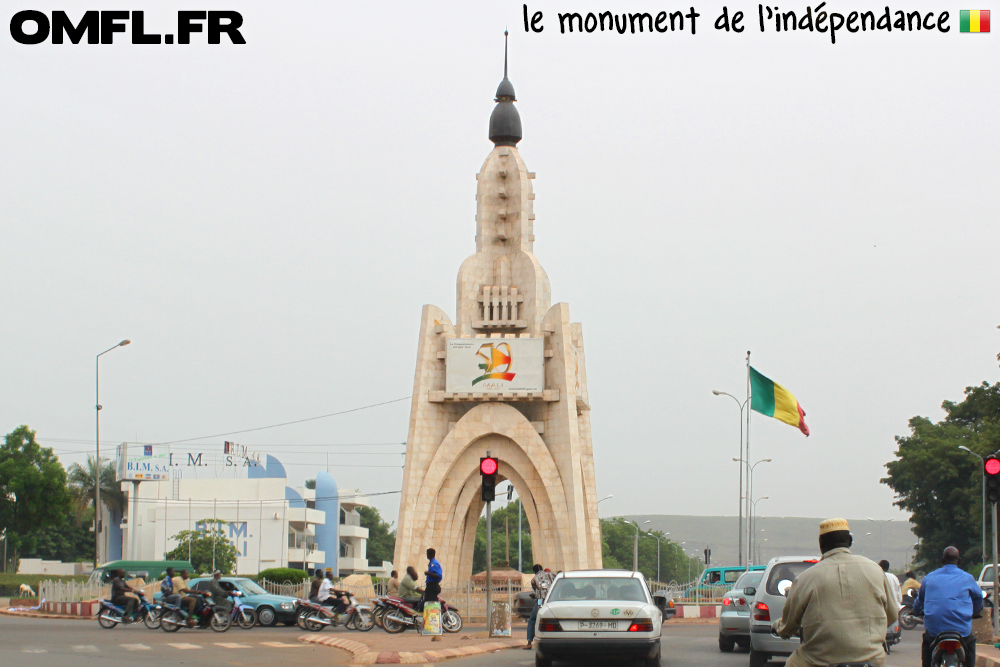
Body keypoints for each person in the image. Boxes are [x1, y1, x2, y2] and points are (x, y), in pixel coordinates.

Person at [773, 518, 897, 667]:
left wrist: (778, 627)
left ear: (821, 544)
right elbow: (892, 615)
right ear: (850, 541)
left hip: (819, 661)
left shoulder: (806, 579)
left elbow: (788, 627)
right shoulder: (875, 571)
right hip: (871, 660)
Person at [911, 546, 983, 667]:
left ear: (942, 561)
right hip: (961, 630)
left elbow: (920, 600)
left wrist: (916, 610)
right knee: (970, 643)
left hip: (935, 629)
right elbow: (978, 598)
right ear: (958, 561)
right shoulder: (967, 578)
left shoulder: (929, 578)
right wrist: (975, 612)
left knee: (927, 644)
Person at [524, 564, 555, 650]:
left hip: (541, 601)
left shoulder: (534, 580)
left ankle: (529, 642)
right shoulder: (552, 575)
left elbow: (537, 592)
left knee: (532, 620)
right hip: (552, 600)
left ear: (534, 572)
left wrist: (534, 596)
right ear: (542, 568)